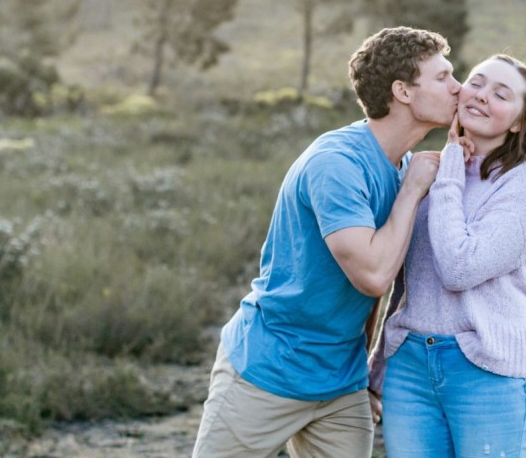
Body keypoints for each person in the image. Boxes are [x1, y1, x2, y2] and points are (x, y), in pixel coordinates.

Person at [192, 26, 462, 458]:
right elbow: (372, 275)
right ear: (403, 92)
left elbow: (386, 282)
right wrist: (412, 192)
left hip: (340, 385)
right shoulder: (337, 164)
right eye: (443, 76)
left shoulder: (402, 166)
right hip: (267, 370)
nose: (458, 88)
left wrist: (371, 376)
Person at [369, 54, 526, 457]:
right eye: (477, 82)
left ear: (520, 121)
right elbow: (403, 282)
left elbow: (459, 267)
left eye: (501, 94)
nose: (482, 96)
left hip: (487, 370)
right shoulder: (423, 170)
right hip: (410, 369)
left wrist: (450, 165)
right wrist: (378, 367)